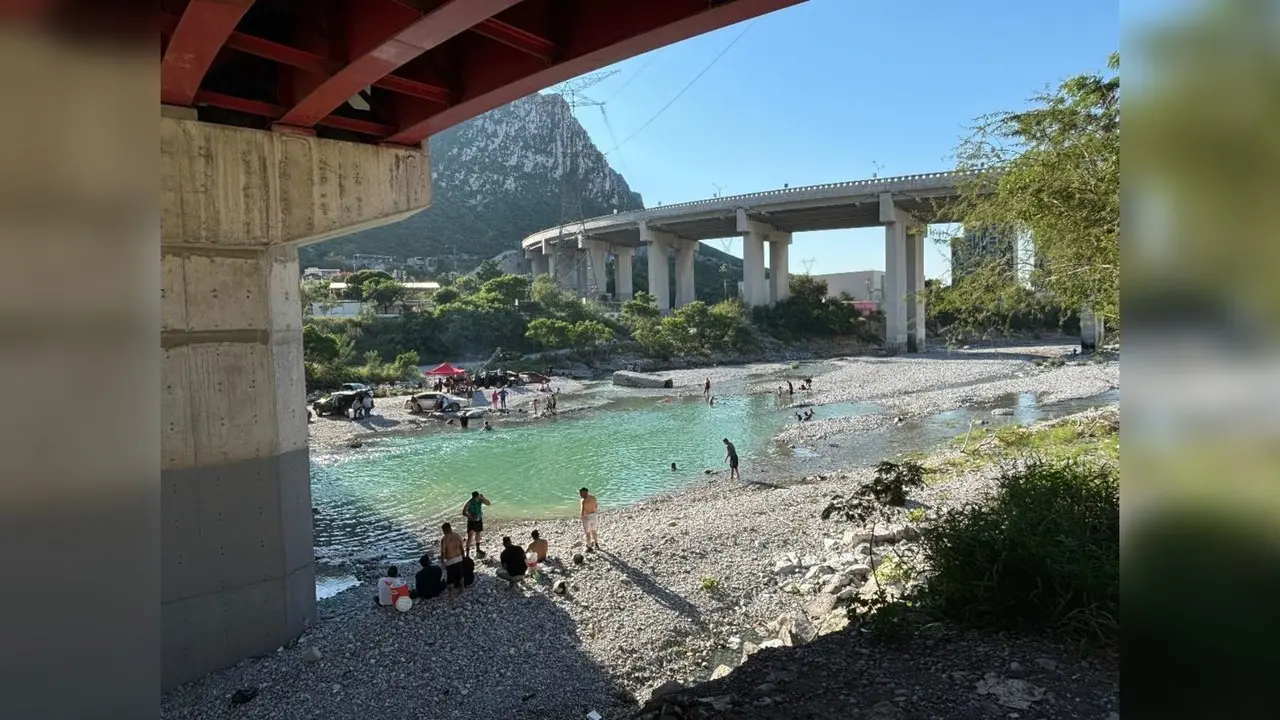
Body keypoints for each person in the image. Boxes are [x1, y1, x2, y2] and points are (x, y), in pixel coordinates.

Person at [462, 491, 491, 558]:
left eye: (479, 497)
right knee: (470, 537)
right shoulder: (469, 503)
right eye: (477, 497)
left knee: (478, 534)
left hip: (479, 520)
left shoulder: (480, 500)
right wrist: (470, 516)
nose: (478, 498)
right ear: (474, 497)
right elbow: (463, 513)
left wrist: (484, 498)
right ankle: (467, 554)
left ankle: (478, 549)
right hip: (471, 521)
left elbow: (489, 504)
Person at [440, 523, 465, 596]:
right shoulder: (458, 535)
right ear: (450, 528)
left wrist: (443, 562)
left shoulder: (444, 539)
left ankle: (452, 593)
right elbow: (462, 549)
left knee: (450, 578)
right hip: (459, 558)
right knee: (460, 575)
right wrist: (464, 557)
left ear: (444, 530)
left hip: (450, 560)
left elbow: (443, 552)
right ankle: (462, 589)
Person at [579, 487, 600, 551]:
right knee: (594, 531)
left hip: (587, 517)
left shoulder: (583, 501)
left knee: (587, 533)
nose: (580, 495)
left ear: (585, 493)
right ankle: (596, 544)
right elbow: (596, 506)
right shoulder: (593, 498)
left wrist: (582, 517)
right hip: (594, 516)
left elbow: (582, 511)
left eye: (581, 493)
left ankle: (589, 546)